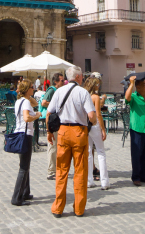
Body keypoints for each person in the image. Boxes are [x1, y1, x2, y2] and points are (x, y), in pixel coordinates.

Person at [46, 66, 95, 218]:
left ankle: (58, 208)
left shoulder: (59, 91)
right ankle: (79, 208)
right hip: (79, 132)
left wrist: (49, 132)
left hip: (63, 132)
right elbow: (92, 115)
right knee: (80, 172)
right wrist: (89, 122)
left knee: (61, 171)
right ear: (79, 77)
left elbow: (49, 112)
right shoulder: (83, 92)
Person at [125, 71, 145, 186]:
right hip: (137, 129)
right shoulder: (134, 96)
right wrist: (131, 84)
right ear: (138, 87)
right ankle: (136, 177)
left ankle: (144, 175)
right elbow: (127, 97)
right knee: (137, 153)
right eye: (144, 85)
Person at [11, 79, 40, 206]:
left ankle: (26, 192)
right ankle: (16, 197)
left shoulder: (20, 101)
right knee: (23, 167)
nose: (33, 89)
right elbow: (27, 117)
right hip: (25, 135)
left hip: (19, 133)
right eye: (31, 87)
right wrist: (37, 115)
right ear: (27, 89)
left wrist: (29, 96)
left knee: (25, 164)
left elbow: (35, 103)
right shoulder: (26, 103)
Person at [83, 76, 109, 190]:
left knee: (88, 153)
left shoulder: (84, 96)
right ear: (95, 85)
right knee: (101, 152)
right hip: (94, 125)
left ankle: (89, 180)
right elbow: (98, 114)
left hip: (86, 126)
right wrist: (103, 129)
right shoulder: (95, 97)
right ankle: (104, 182)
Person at [42, 72, 64, 181]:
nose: (63, 82)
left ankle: (56, 169)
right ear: (56, 81)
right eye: (61, 80)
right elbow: (43, 102)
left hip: (58, 121)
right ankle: (51, 171)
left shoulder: (60, 91)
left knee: (57, 147)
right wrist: (54, 103)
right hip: (52, 120)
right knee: (52, 146)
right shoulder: (51, 90)